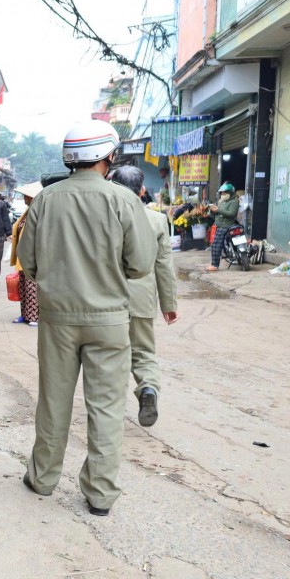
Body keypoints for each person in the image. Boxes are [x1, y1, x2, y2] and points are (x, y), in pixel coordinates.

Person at [18, 119, 155, 517]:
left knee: (53, 401)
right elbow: (141, 264)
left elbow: (28, 263)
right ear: (107, 156)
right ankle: (100, 494)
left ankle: (43, 478)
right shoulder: (124, 200)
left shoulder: (45, 200)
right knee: (107, 408)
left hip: (57, 319)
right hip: (110, 320)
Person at [108, 166, 179, 426]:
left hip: (106, 298)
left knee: (109, 354)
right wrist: (169, 304)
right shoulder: (157, 220)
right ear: (142, 190)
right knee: (143, 352)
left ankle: (110, 410)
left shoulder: (103, 216)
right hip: (142, 298)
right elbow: (164, 266)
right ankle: (148, 388)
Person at [9, 181, 42, 326]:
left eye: (26, 196)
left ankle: (34, 317)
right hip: (22, 256)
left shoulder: (38, 212)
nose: (24, 199)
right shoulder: (27, 211)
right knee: (22, 287)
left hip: (32, 256)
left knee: (31, 287)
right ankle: (24, 314)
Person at [207, 182, 240, 271]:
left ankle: (215, 265)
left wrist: (218, 210)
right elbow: (216, 214)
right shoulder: (221, 201)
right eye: (221, 193)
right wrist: (212, 211)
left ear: (230, 193)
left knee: (217, 245)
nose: (222, 195)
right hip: (219, 225)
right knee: (214, 245)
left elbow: (231, 213)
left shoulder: (234, 202)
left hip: (225, 226)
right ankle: (214, 263)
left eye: (224, 193)